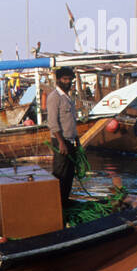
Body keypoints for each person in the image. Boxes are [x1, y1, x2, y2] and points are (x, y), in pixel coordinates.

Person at [48, 67, 79, 204]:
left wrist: (77, 141)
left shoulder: (68, 98)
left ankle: (65, 202)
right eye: (64, 79)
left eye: (69, 79)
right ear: (58, 80)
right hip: (61, 141)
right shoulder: (54, 97)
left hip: (71, 141)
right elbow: (52, 123)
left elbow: (71, 122)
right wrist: (61, 142)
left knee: (70, 174)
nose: (67, 82)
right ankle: (57, 204)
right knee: (60, 173)